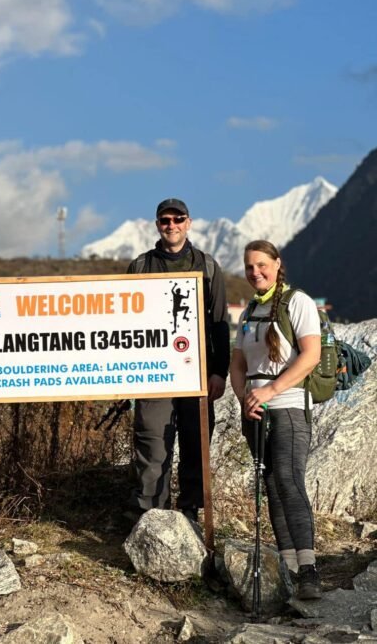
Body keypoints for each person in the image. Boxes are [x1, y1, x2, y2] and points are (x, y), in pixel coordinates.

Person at [126, 198, 230, 523]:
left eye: (177, 219)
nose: (171, 225)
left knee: (196, 443)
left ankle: (189, 514)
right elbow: (125, 323)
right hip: (153, 375)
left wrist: (219, 373)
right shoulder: (140, 266)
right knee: (152, 445)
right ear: (157, 224)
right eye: (165, 220)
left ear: (189, 222)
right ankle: (150, 518)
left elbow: (220, 324)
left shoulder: (208, 266)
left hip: (197, 375)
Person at [230, 240, 322, 600]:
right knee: (271, 483)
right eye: (249, 267)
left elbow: (311, 355)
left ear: (277, 264)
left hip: (289, 405)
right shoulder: (250, 310)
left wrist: (269, 391)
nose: (255, 272)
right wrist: (244, 399)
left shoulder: (297, 302)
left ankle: (310, 569)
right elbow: (239, 364)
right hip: (256, 410)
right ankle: (289, 567)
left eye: (262, 265)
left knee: (288, 478)